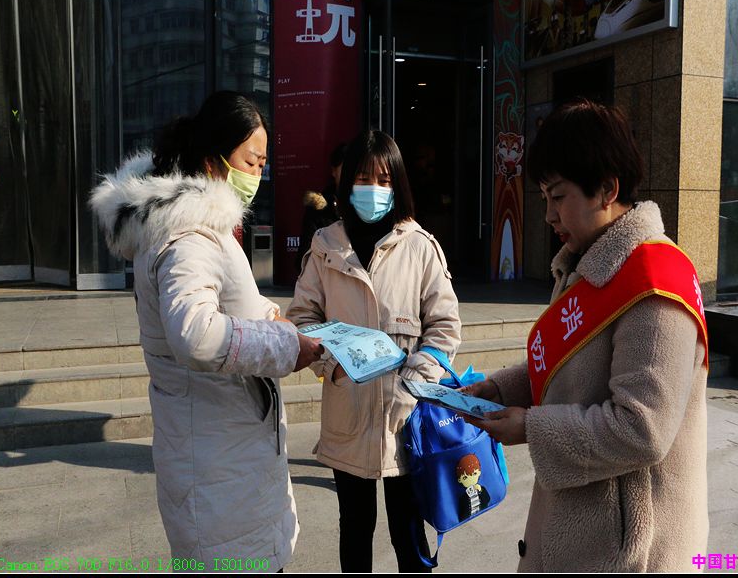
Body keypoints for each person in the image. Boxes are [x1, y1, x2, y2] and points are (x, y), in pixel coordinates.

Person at [464, 98, 709, 572]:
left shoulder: (655, 282)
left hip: (630, 550)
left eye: (558, 197)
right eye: (544, 198)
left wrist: (529, 428)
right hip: (578, 530)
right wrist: (499, 390)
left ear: (607, 189)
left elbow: (642, 429)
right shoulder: (586, 264)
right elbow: (567, 367)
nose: (549, 216)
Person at [89, 91, 323, 572]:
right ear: (214, 161)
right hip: (219, 471)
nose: (257, 175)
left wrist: (270, 318)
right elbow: (195, 333)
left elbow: (229, 303)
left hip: (231, 459)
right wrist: (284, 345)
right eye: (250, 161)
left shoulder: (202, 227)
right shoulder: (189, 235)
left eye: (262, 164)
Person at [286, 129, 462, 573]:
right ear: (346, 183)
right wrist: (332, 363)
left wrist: (416, 381)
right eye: (363, 179)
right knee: (354, 527)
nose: (374, 189)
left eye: (384, 180)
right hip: (347, 413)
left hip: (406, 419)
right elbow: (302, 317)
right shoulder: (326, 246)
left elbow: (444, 326)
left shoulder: (420, 246)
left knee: (409, 531)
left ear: (397, 184)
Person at [295, 142, 346, 273]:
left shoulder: (368, 208)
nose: (350, 175)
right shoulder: (318, 209)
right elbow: (304, 259)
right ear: (334, 171)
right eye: (345, 168)